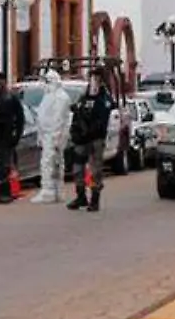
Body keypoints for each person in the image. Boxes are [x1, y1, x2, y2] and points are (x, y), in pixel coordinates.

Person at [66, 72, 115, 213]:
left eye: (96, 79)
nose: (93, 82)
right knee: (77, 168)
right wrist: (76, 131)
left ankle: (94, 200)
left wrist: (91, 130)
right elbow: (77, 113)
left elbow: (103, 118)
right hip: (81, 139)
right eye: (92, 79)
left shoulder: (104, 99)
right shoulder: (83, 97)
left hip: (95, 139)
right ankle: (81, 196)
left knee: (95, 170)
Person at [31, 70, 71, 204]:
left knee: (50, 163)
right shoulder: (50, 96)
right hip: (47, 135)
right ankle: (54, 191)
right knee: (51, 163)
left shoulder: (60, 97)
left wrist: (55, 138)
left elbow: (58, 120)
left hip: (53, 136)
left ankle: (50, 191)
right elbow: (43, 116)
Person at [0, 72, 25, 203]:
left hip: (7, 136)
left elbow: (20, 118)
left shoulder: (11, 98)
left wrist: (17, 134)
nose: (0, 84)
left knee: (5, 165)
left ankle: (4, 193)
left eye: (2, 81)